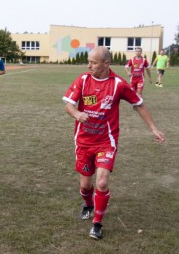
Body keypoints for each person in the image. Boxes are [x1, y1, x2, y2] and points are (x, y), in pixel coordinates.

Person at [63, 46, 165, 240]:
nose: (89, 65)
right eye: (89, 61)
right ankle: (88, 204)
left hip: (106, 141)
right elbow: (68, 104)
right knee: (86, 186)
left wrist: (153, 128)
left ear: (106, 63)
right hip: (83, 140)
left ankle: (97, 223)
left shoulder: (118, 84)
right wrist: (77, 113)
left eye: (93, 62)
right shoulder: (83, 80)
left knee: (101, 182)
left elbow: (139, 104)